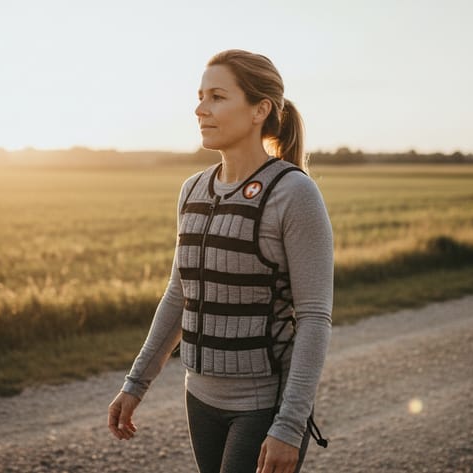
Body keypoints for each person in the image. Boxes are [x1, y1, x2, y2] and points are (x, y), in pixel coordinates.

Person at [107, 49, 333, 473]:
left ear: (258, 110)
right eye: (199, 95)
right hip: (199, 400)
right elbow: (179, 295)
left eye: (216, 97)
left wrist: (289, 423)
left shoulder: (293, 193)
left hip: (264, 406)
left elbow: (315, 318)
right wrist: (135, 384)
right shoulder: (192, 189)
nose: (199, 109)